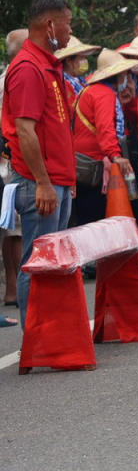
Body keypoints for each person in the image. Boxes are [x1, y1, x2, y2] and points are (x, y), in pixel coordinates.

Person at [1, 0, 76, 326]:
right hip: (39, 183)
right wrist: (44, 182)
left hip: (55, 181)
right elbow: (25, 132)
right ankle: (35, 338)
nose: (70, 30)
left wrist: (65, 181)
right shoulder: (29, 68)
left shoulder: (48, 64)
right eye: (67, 22)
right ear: (50, 25)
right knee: (37, 261)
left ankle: (51, 335)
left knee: (51, 260)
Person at [69, 49, 137, 226]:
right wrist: (115, 155)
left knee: (85, 217)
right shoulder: (104, 94)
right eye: (125, 74)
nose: (127, 78)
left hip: (81, 161)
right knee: (94, 219)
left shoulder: (90, 90)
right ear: (117, 75)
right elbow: (105, 129)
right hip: (93, 164)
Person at [0, 29, 27, 317]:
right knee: (15, 231)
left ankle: (12, 290)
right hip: (12, 162)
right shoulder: (14, 77)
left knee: (12, 231)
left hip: (11, 161)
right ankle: (16, 290)